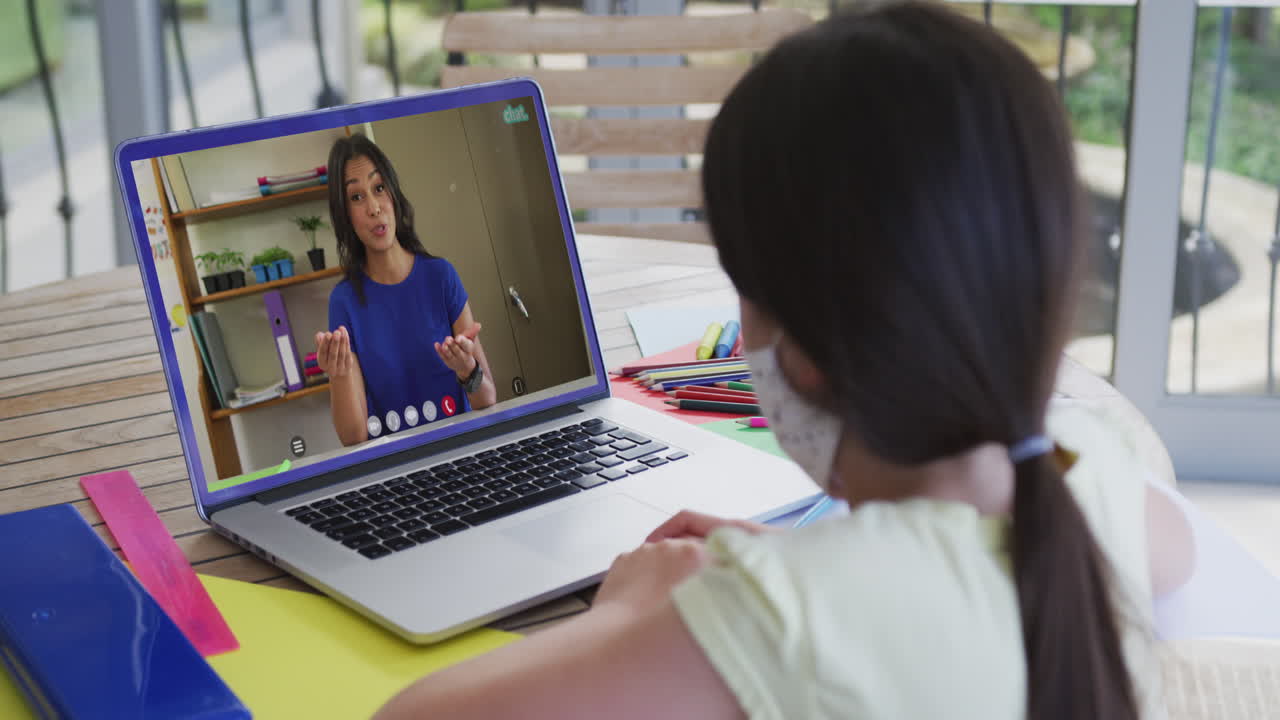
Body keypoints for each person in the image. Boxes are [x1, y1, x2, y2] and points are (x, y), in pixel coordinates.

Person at [374, 4, 1195, 718]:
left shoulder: (781, 620)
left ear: (798, 357)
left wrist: (631, 614)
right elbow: (1171, 549)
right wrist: (810, 561)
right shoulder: (1091, 472)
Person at [315, 135, 497, 446]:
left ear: (393, 193)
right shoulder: (344, 302)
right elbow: (353, 437)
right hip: (399, 464)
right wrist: (338, 374)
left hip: (464, 450)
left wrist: (468, 369)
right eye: (356, 197)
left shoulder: (441, 276)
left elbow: (487, 399)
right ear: (344, 214)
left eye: (379, 188)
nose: (374, 208)